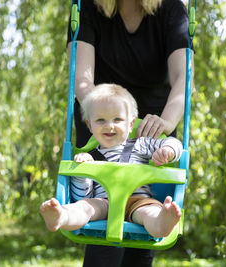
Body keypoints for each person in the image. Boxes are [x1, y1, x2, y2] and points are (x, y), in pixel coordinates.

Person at [67, 0, 194, 265]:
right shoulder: (88, 7)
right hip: (102, 128)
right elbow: (81, 81)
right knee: (103, 235)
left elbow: (184, 79)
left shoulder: (170, 10)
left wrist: (166, 125)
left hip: (154, 128)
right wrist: (105, 119)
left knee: (143, 229)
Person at [41, 84, 183, 239]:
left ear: (130, 124)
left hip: (138, 201)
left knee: (151, 211)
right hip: (103, 203)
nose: (109, 126)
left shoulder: (140, 144)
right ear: (89, 125)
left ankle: (162, 223)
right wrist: (83, 172)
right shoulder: (89, 156)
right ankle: (62, 216)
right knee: (84, 206)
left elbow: (174, 143)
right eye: (101, 120)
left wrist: (167, 151)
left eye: (117, 119)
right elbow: (83, 195)